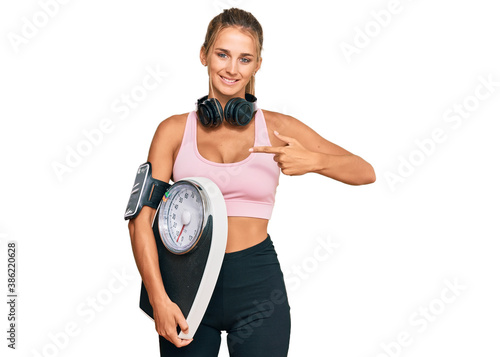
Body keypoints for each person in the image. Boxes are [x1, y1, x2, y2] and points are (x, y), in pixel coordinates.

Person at [128, 7, 375, 357]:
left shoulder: (277, 127)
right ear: (204, 55)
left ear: (257, 64)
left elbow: (365, 171)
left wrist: (314, 161)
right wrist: (158, 299)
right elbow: (140, 221)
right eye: (222, 54)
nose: (232, 69)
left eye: (245, 59)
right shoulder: (172, 131)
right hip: (187, 284)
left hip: (257, 283)